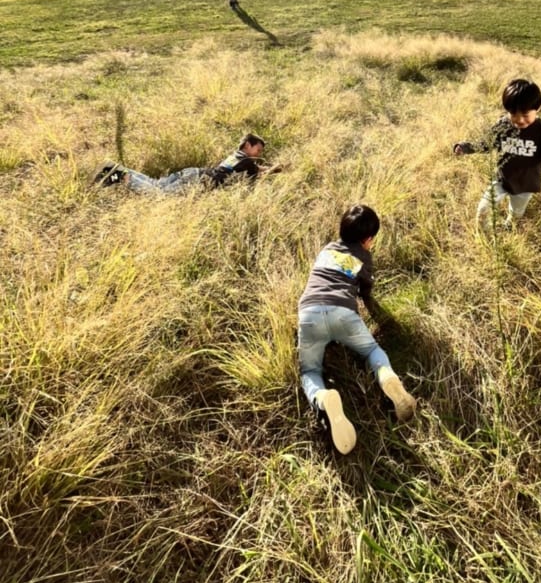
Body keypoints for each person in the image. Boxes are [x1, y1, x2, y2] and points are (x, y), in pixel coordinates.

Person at [297, 205, 416, 454]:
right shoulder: (363, 258)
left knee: (309, 369)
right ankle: (387, 377)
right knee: (372, 350)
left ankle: (322, 398)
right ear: (369, 240)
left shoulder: (327, 249)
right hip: (344, 314)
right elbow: (366, 292)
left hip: (309, 313)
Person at [453, 78, 541, 226]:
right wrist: (465, 147)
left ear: (538, 108)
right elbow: (486, 143)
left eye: (525, 115)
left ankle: (510, 226)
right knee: (483, 209)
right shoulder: (503, 124)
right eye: (513, 114)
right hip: (502, 179)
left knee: (516, 213)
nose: (519, 120)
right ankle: (483, 235)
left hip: (526, 184)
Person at [93, 134, 282, 194]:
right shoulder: (247, 161)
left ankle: (115, 169)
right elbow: (259, 172)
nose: (258, 155)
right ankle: (119, 175)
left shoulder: (236, 156)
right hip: (197, 181)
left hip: (194, 173)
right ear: (248, 145)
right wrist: (276, 169)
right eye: (258, 150)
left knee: (157, 185)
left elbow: (257, 169)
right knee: (158, 195)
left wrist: (272, 168)